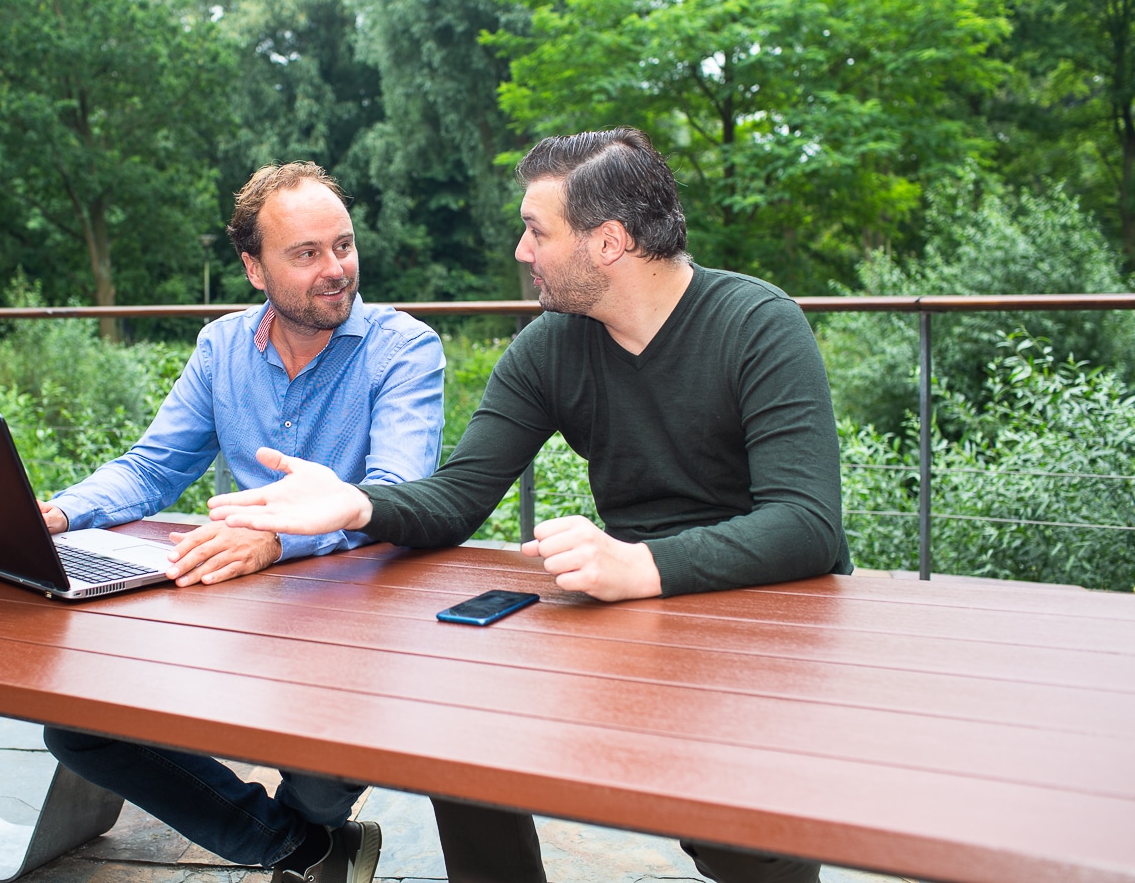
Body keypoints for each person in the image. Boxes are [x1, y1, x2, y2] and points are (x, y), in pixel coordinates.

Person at [207, 128, 852, 883]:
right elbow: (457, 498)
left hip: (770, 622)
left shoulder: (758, 324)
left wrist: (638, 565)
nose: (522, 250)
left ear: (607, 242)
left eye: (537, 231)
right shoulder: (551, 346)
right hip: (640, 618)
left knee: (739, 839)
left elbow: (806, 525)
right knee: (463, 730)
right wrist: (355, 505)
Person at [37, 161, 446, 883]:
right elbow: (153, 467)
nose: (335, 269)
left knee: (318, 779)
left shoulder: (405, 348)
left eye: (343, 245)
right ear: (254, 268)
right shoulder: (221, 348)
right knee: (80, 728)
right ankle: (303, 850)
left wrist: (277, 538)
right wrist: (61, 512)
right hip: (247, 609)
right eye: (306, 253)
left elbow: (395, 493)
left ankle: (305, 840)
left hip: (362, 624)